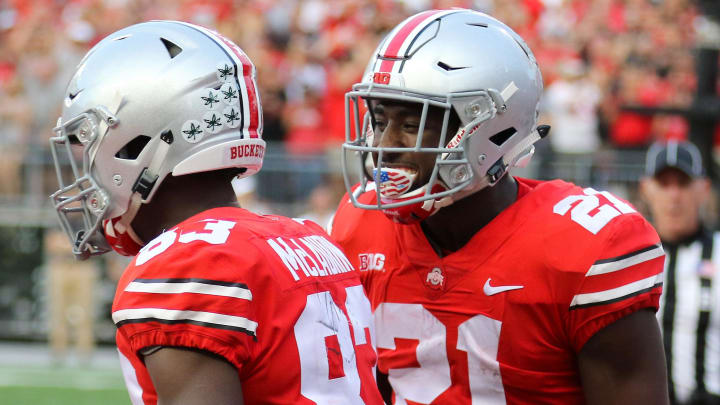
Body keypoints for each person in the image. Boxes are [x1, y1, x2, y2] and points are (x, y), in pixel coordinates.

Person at [330, 9, 669, 405]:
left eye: (410, 124)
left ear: (489, 127)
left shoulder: (586, 246)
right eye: (379, 118)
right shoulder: (361, 225)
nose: (385, 144)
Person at [48, 21, 383, 405]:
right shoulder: (310, 238)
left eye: (89, 143)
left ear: (136, 144)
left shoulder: (185, 264)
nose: (85, 169)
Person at [640, 141, 720, 405]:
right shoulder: (629, 257)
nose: (674, 195)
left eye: (683, 183)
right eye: (664, 183)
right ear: (646, 189)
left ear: (704, 189)